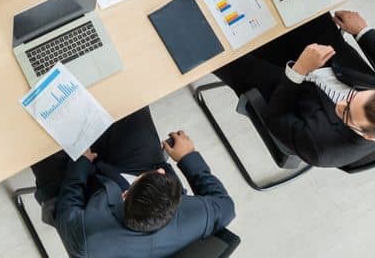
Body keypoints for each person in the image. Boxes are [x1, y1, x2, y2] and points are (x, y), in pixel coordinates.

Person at [214, 10, 375, 168]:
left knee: (214, 49)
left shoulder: (321, 150)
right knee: (295, 0)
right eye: (355, 95)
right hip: (332, 56)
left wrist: (298, 72)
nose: (342, 102)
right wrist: (362, 31)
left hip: (281, 89)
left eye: (347, 113)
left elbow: (275, 117)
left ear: (368, 136)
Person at [29, 108, 234, 258]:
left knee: (34, 129)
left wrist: (80, 165)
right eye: (162, 175)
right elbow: (226, 205)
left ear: (125, 194)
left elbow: (68, 205)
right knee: (128, 102)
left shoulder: (88, 240)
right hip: (135, 169)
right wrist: (188, 156)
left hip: (82, 196)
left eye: (157, 174)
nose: (162, 170)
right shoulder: (201, 215)